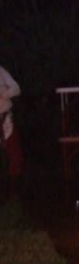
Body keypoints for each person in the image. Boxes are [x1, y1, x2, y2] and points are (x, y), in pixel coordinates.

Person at [0, 64, 24, 200]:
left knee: (15, 155)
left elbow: (16, 89)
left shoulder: (1, 71)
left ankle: (12, 192)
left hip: (5, 119)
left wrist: (4, 94)